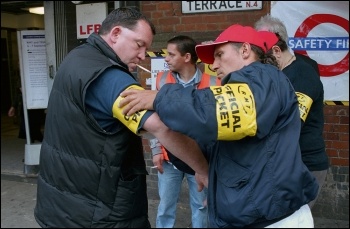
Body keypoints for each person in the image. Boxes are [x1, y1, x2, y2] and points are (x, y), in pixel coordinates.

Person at [119, 24, 319, 227]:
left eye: (220, 55)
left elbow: (216, 113)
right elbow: (213, 144)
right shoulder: (249, 89)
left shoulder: (263, 76)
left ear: (245, 50)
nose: (213, 66)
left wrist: (160, 98)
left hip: (273, 221)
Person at [34, 7, 209, 228]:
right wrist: (202, 169)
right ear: (115, 33)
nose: (143, 55)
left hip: (61, 205)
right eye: (139, 44)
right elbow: (161, 128)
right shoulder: (110, 77)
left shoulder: (76, 57)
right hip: (101, 211)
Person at [254, 15, 329, 209]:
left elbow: (290, 122)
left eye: (263, 52)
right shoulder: (279, 73)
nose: (260, 59)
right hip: (287, 164)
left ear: (277, 50)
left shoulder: (302, 73)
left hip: (305, 165)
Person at [150, 35, 219, 228]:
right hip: (169, 158)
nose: (166, 59)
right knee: (165, 207)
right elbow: (153, 118)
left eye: (171, 54)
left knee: (201, 207)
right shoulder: (162, 79)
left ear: (187, 57)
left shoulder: (214, 83)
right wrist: (156, 151)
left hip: (199, 159)